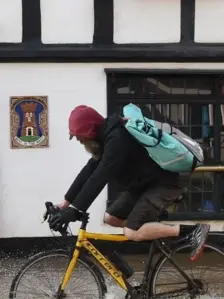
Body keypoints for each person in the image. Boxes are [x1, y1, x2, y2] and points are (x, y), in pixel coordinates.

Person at [48, 105, 210, 264]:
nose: (78, 140)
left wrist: (75, 210)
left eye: (79, 135)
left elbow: (100, 176)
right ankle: (152, 233)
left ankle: (192, 231)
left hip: (165, 183)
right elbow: (89, 170)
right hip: (144, 184)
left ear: (91, 130)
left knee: (132, 231)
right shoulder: (106, 139)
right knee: (111, 218)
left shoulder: (117, 138)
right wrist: (65, 204)